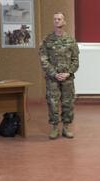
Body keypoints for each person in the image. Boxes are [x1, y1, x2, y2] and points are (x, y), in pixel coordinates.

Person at [39, 12, 79, 140]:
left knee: (68, 103)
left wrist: (68, 73)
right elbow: (43, 59)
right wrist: (54, 74)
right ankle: (55, 128)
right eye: (55, 19)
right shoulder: (47, 40)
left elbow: (75, 60)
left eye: (59, 19)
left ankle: (66, 128)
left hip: (68, 78)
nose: (57, 21)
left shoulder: (71, 40)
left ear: (64, 22)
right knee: (53, 103)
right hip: (52, 79)